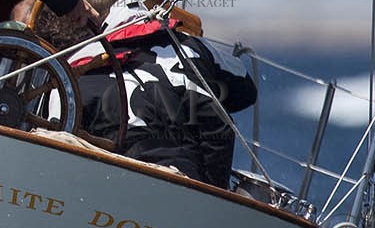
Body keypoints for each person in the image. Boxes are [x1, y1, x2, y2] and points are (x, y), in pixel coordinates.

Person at [75, 12, 258, 189]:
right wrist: (211, 191)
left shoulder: (75, 72)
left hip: (112, 184)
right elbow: (244, 96)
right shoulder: (188, 45)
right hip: (184, 179)